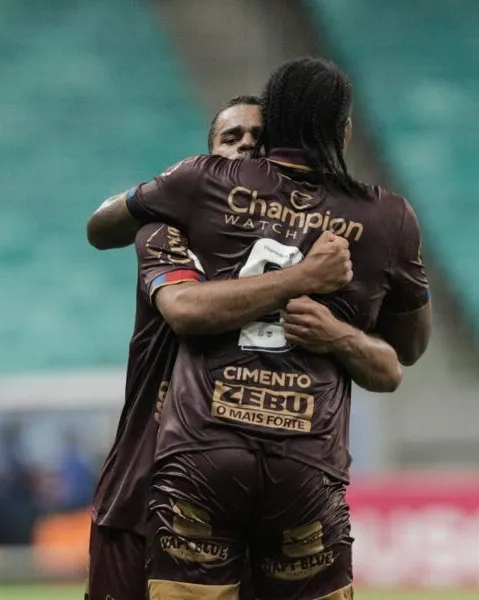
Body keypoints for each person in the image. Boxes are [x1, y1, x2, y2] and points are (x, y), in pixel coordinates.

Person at [118, 57, 431, 600]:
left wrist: (140, 201)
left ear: (272, 128)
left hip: (200, 452)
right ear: (346, 130)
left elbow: (104, 229)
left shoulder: (203, 179)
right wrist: (337, 324)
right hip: (306, 463)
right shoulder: (388, 217)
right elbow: (409, 348)